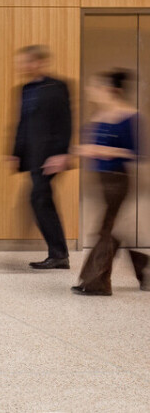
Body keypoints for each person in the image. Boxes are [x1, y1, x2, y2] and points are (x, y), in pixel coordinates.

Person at [72, 69, 147, 296]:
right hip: (100, 182)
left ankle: (96, 283)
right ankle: (145, 269)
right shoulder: (99, 116)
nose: (91, 90)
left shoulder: (131, 117)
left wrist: (104, 150)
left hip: (118, 180)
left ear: (111, 90)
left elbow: (138, 152)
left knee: (106, 231)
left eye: (97, 86)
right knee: (114, 231)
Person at [8, 45, 73, 269]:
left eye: (26, 61)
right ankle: (58, 253)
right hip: (32, 155)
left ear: (39, 62)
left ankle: (59, 254)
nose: (22, 66)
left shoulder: (58, 87)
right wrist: (16, 153)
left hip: (50, 157)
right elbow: (21, 122)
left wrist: (61, 153)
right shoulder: (25, 89)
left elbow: (65, 121)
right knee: (40, 200)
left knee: (40, 199)